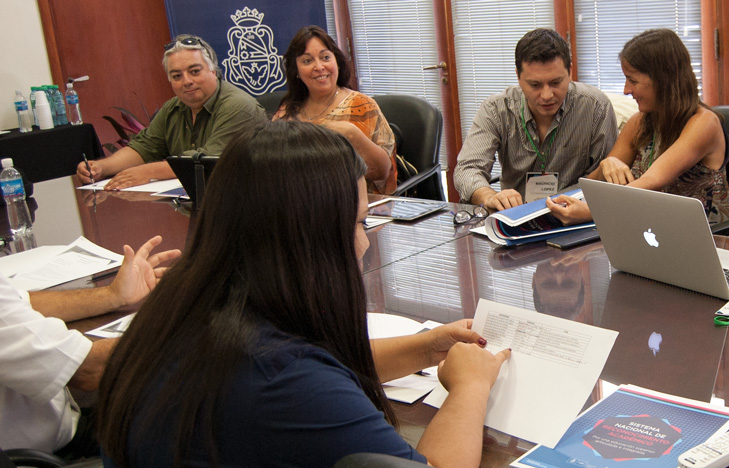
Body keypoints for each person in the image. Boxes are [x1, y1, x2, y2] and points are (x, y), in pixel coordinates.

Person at [96, 121, 509, 467]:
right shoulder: (285, 383)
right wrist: (470, 385)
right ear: (311, 239)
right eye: (359, 224)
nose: (364, 245)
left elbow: (326, 369)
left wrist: (425, 349)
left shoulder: (187, 310)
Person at [0, 236, 179, 457]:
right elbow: (87, 370)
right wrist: (181, 321)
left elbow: (21, 302)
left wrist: (113, 295)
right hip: (43, 452)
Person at [546, 29, 729, 225]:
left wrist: (593, 212)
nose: (626, 90)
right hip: (648, 232)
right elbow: (594, 186)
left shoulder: (704, 124)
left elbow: (652, 181)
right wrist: (604, 166)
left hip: (698, 238)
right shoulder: (640, 122)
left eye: (633, 80)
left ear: (663, 80)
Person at [75, 34, 267, 190]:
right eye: (177, 76)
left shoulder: (239, 106)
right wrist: (101, 167)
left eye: (194, 71)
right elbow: (145, 147)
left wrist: (146, 172)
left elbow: (207, 162)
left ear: (213, 71)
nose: (186, 81)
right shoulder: (172, 108)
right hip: (194, 204)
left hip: (242, 205)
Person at [453, 28, 617, 210]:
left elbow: (604, 179)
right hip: (515, 216)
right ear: (518, 76)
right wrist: (488, 195)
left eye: (556, 83)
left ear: (570, 72)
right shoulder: (496, 109)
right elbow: (466, 169)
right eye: (535, 85)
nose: (547, 95)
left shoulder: (596, 107)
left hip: (575, 216)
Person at [274, 26, 398, 194]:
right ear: (296, 71)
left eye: (325, 57)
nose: (319, 67)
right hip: (300, 204)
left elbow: (383, 172)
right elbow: (273, 167)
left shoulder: (361, 106)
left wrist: (352, 134)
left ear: (337, 62)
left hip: (356, 204)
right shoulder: (287, 111)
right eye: (307, 61)